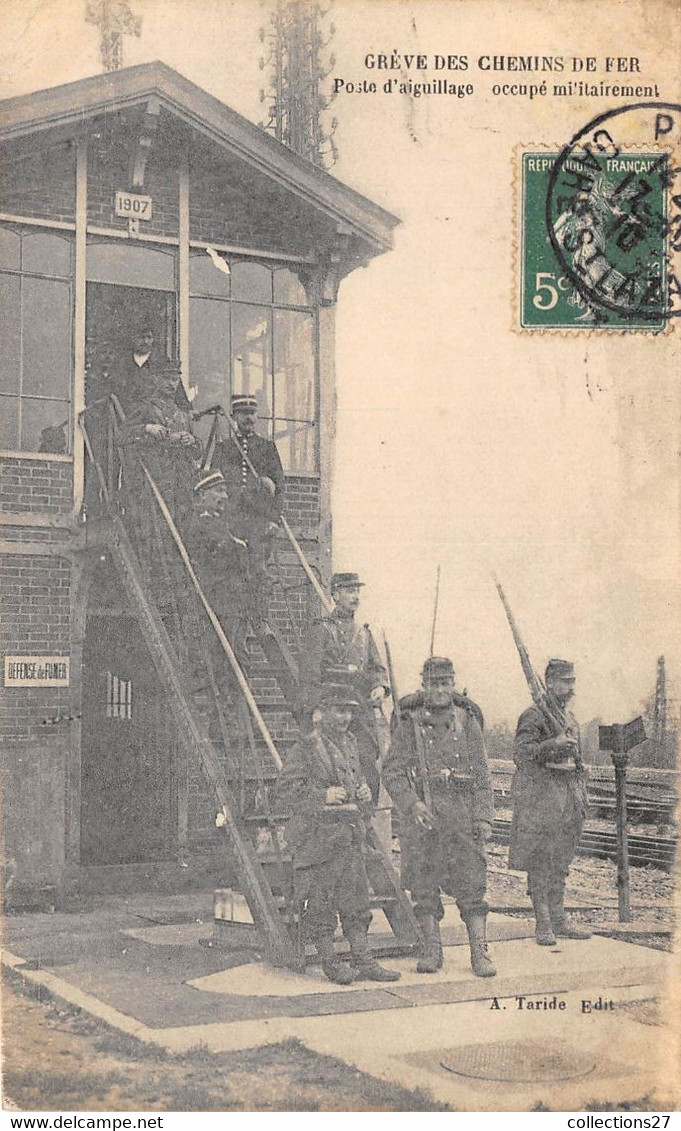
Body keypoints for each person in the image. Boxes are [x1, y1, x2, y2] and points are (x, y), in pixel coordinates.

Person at [276, 681, 401, 986]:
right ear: (322, 713)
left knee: (356, 901)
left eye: (347, 712)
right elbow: (283, 793)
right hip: (317, 839)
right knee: (320, 903)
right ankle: (329, 962)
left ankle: (363, 959)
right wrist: (322, 796)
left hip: (348, 835)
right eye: (337, 711)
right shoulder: (306, 747)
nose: (344, 718)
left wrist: (363, 791)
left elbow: (361, 785)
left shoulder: (352, 744)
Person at [383, 656, 497, 978]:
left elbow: (482, 774)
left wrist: (483, 818)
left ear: (453, 683)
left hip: (460, 815)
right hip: (422, 817)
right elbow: (391, 772)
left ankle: (480, 952)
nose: (440, 689)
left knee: (473, 884)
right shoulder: (409, 722)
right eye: (433, 683)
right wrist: (412, 804)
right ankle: (431, 950)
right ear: (424, 684)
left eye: (446, 682)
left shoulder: (467, 721)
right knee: (423, 884)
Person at [508, 658, 591, 946]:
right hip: (543, 799)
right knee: (541, 860)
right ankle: (543, 922)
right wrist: (551, 746)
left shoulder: (570, 718)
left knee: (561, 862)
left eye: (573, 681)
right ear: (550, 682)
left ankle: (559, 919)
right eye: (565, 681)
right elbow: (521, 755)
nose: (570, 687)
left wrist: (580, 768)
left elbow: (575, 756)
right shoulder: (533, 715)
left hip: (568, 798)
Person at [297, 572, 389, 801]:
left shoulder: (364, 635)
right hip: (331, 708)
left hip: (359, 710)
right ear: (336, 594)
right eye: (350, 591)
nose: (355, 596)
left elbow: (377, 668)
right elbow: (309, 676)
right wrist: (314, 710)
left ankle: (365, 820)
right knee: (329, 764)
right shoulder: (321, 630)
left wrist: (379, 687)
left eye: (357, 591)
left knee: (366, 763)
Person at [184, 469, 250, 738]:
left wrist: (235, 546)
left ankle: (230, 717)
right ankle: (220, 719)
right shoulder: (198, 524)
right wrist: (236, 546)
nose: (224, 496)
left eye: (224, 491)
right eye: (218, 491)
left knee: (235, 659)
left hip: (232, 603)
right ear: (202, 495)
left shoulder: (220, 524)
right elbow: (220, 553)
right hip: (216, 603)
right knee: (221, 660)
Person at [212, 394, 285, 628]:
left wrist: (274, 519)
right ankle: (233, 617)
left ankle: (259, 616)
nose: (249, 418)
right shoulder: (224, 448)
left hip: (258, 519)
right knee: (232, 567)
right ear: (234, 417)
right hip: (231, 518)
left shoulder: (267, 447)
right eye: (243, 414)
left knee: (259, 569)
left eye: (252, 414)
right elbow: (214, 480)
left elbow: (280, 486)